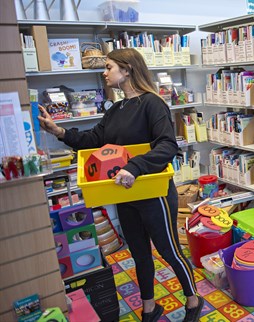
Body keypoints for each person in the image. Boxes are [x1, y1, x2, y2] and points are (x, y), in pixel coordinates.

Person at [38, 48, 203, 322]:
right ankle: (150, 307)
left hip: (153, 192)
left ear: (127, 70)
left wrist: (133, 167)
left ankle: (193, 301)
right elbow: (94, 139)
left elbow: (167, 146)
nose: (104, 73)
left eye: (109, 67)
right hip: (124, 192)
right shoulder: (116, 109)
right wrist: (60, 132)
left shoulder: (153, 103)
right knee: (138, 252)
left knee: (169, 250)